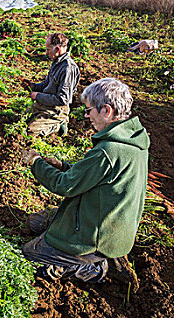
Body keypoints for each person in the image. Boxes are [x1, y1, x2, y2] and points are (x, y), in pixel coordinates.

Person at [21, 78, 149, 287]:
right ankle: (95, 254)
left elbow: (64, 186)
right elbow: (97, 178)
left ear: (106, 110)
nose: (87, 115)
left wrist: (35, 162)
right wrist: (63, 165)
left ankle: (94, 268)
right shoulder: (131, 140)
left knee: (31, 254)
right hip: (107, 223)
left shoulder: (109, 151)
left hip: (98, 235)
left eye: (89, 110)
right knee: (36, 222)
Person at [27, 33, 80, 136]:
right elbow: (47, 83)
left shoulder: (68, 69)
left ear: (58, 49)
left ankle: (59, 124)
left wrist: (38, 96)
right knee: (20, 119)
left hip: (57, 109)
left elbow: (62, 99)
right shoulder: (56, 62)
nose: (46, 53)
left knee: (31, 132)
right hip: (45, 104)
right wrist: (33, 86)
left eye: (48, 49)